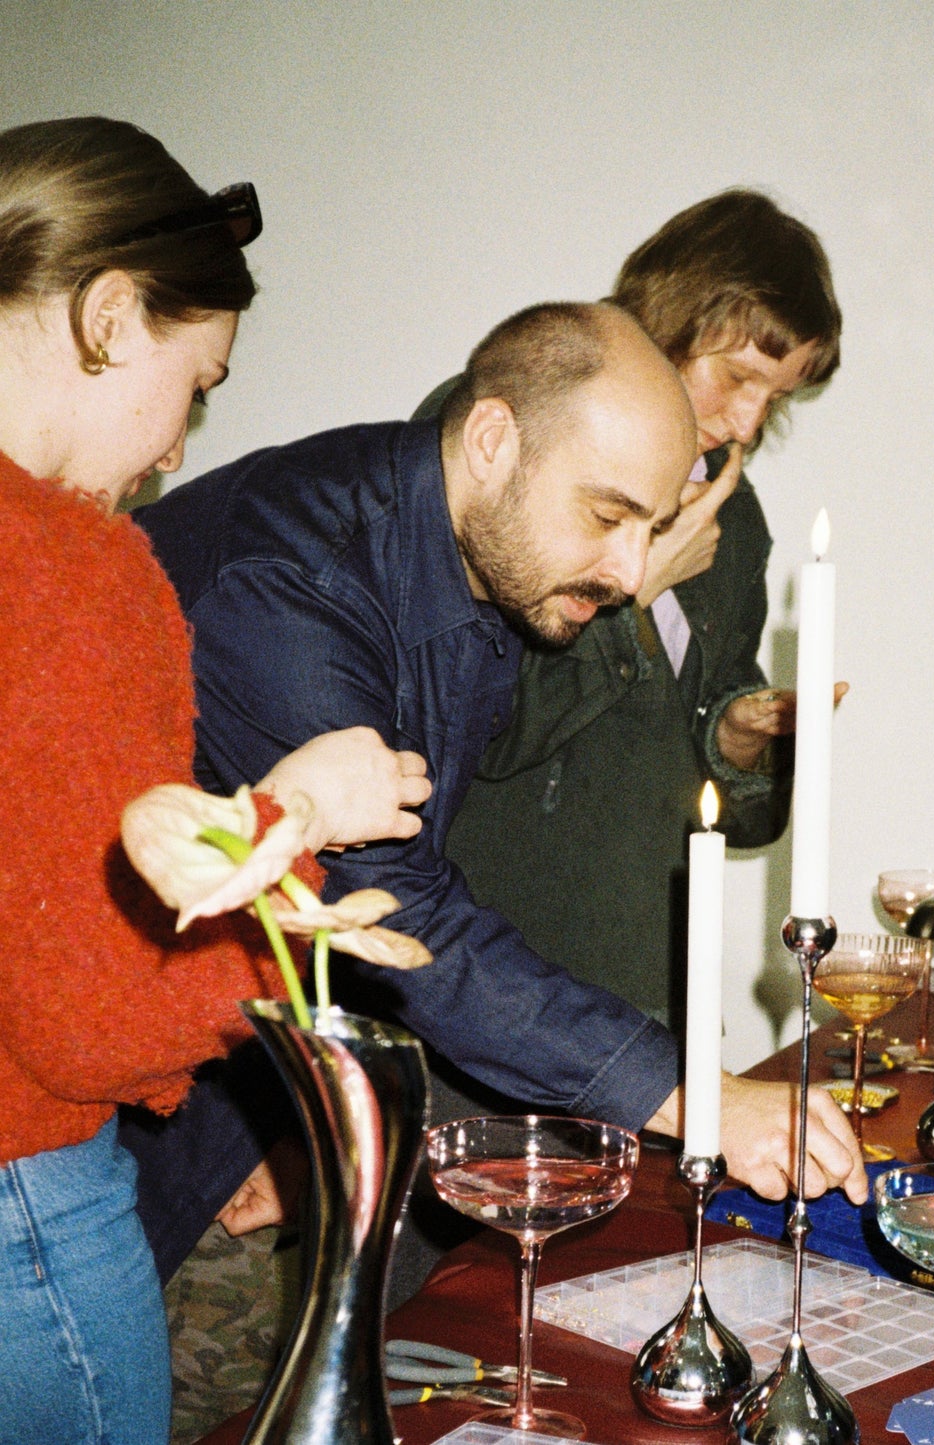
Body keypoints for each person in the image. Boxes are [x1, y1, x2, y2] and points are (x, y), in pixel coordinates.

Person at [129, 301, 868, 1299]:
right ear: (490, 438)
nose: (627, 572)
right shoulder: (291, 582)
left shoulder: (477, 565)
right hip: (93, 1123)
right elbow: (389, 905)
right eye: (608, 517)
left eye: (648, 530)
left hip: (244, 1094)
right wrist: (695, 1096)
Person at [0, 116, 429, 1445]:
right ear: (113, 316)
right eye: (201, 384)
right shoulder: (76, 568)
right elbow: (93, 1017)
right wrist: (295, 820)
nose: (182, 445)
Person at [429, 189, 842, 1026]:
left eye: (778, 397)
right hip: (491, 1006)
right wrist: (633, 585)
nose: (751, 420)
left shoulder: (736, 518)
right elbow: (459, 726)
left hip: (650, 1005)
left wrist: (736, 742)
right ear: (664, 327)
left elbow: (740, 817)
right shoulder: (509, 434)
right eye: (736, 378)